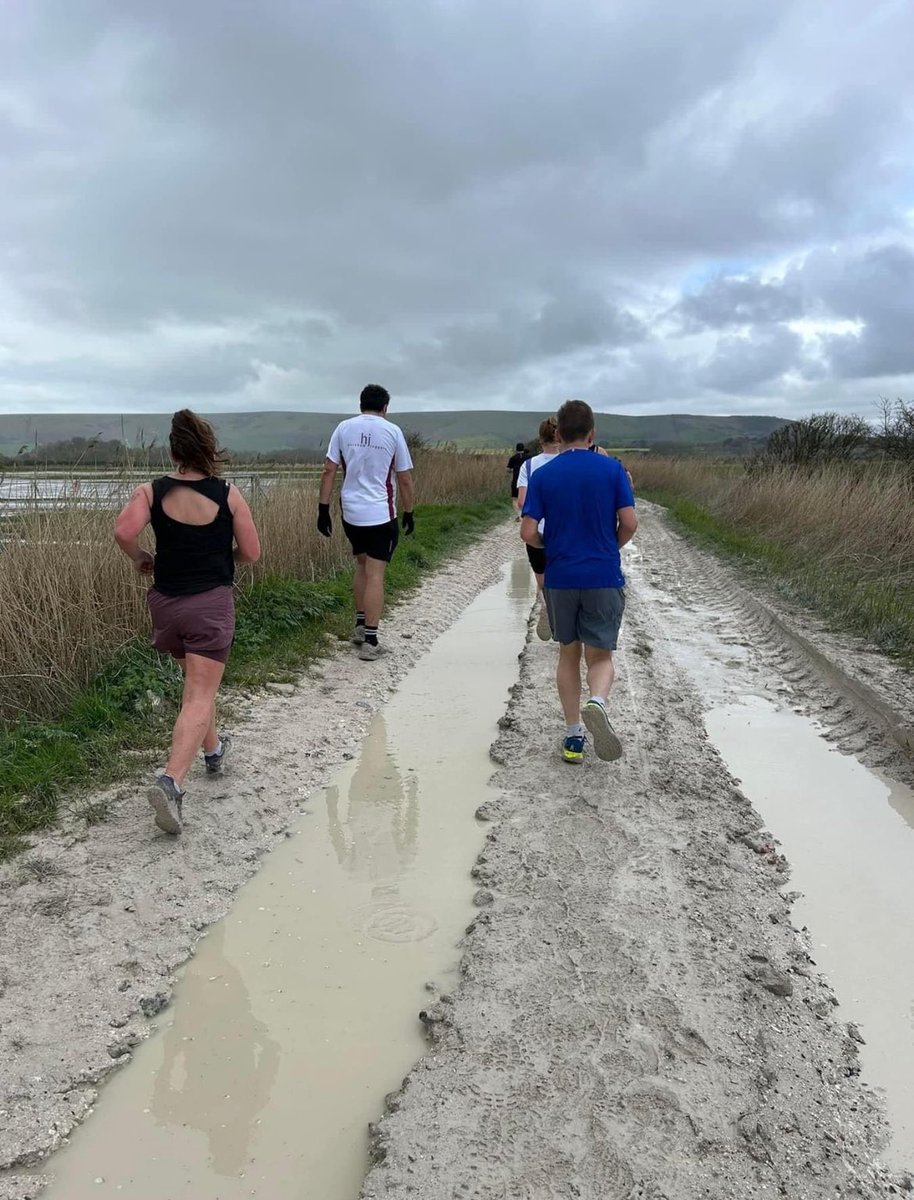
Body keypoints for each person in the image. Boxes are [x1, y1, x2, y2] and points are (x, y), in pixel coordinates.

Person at [114, 410, 261, 835]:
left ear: (175, 451)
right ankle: (171, 782)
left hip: (166, 604)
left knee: (197, 686)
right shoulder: (228, 494)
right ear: (209, 450)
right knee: (199, 693)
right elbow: (251, 553)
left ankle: (213, 751)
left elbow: (123, 532)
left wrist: (143, 557)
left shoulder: (151, 491)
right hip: (209, 605)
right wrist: (223, 559)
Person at [521, 399, 637, 765]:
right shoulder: (613, 470)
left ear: (558, 433)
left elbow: (527, 531)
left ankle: (574, 737)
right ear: (592, 434)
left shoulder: (543, 475)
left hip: (560, 577)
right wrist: (610, 546)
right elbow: (630, 523)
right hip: (602, 574)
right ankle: (597, 702)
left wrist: (549, 545)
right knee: (600, 655)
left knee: (568, 654)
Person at [318, 384, 415, 661]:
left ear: (360, 404)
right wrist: (409, 511)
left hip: (350, 511)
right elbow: (405, 477)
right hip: (380, 513)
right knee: (376, 573)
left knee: (361, 564)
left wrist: (322, 509)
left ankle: (360, 626)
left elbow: (328, 469)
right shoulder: (392, 431)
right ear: (385, 407)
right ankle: (371, 640)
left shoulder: (343, 428)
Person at [516, 416, 561, 641]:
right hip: (563, 529)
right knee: (565, 576)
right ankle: (565, 619)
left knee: (542, 578)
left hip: (536, 530)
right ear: (560, 437)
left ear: (540, 439)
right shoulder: (568, 462)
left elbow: (522, 502)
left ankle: (546, 603)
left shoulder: (529, 465)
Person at [506, 442, 528, 516]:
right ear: (523, 448)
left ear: (516, 449)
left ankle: (518, 515)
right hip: (527, 480)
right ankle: (526, 513)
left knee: (515, 499)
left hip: (516, 479)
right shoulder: (529, 457)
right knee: (527, 497)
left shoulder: (513, 458)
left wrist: (514, 470)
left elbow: (508, 470)